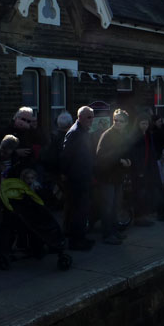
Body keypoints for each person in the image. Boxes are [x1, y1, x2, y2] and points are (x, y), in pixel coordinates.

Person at [95, 109, 132, 245]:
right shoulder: (107, 135)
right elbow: (101, 156)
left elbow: (126, 152)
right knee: (107, 207)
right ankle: (107, 234)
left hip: (118, 177)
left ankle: (114, 231)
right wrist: (120, 161)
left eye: (120, 121)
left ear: (126, 123)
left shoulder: (123, 136)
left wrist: (128, 161)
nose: (117, 123)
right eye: (115, 120)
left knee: (116, 206)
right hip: (107, 177)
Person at [60, 107, 95, 251]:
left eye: (92, 117)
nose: (91, 120)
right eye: (89, 117)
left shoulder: (83, 132)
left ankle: (81, 237)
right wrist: (67, 174)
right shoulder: (75, 133)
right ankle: (76, 241)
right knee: (77, 210)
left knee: (83, 210)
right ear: (80, 117)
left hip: (84, 176)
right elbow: (66, 156)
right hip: (76, 178)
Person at [129, 113, 160, 227]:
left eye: (146, 123)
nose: (145, 126)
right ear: (138, 124)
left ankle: (144, 216)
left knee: (146, 193)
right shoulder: (135, 136)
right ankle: (139, 218)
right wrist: (139, 170)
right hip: (139, 170)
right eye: (142, 123)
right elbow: (134, 155)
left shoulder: (148, 135)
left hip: (148, 168)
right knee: (139, 194)